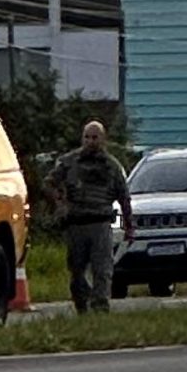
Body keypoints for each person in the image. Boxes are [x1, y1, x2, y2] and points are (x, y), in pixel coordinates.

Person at [56, 119, 132, 313]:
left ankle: (100, 308)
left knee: (102, 270)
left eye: (95, 137)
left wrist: (129, 226)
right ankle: (82, 306)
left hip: (100, 223)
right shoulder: (69, 162)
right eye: (87, 137)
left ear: (103, 140)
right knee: (77, 271)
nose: (90, 141)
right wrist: (61, 203)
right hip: (76, 224)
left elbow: (124, 198)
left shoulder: (112, 167)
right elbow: (49, 183)